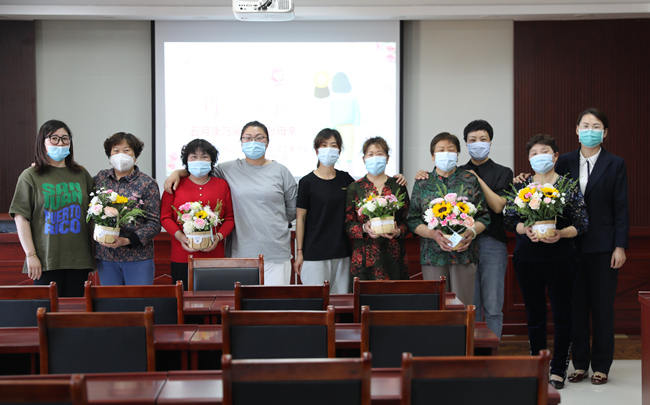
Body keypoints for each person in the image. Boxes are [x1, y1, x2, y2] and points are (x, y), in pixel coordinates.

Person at [164, 121, 297, 285]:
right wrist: (177, 172)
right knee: (242, 300)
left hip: (275, 250)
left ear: (267, 142)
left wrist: (271, 221)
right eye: (248, 138)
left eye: (259, 138)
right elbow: (200, 171)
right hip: (240, 252)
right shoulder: (227, 169)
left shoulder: (281, 171)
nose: (253, 142)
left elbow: (292, 210)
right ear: (241, 142)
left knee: (274, 299)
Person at [504, 134, 588, 390]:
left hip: (562, 259)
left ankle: (559, 368)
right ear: (529, 159)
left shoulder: (568, 186)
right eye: (534, 153)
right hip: (527, 259)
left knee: (563, 315)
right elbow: (509, 219)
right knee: (535, 315)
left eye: (545, 152)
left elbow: (582, 223)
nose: (539, 157)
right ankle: (537, 365)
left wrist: (561, 233)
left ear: (555, 156)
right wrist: (524, 229)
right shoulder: (522, 187)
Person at [414, 120, 512, 339]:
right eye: (472, 140)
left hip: (488, 242)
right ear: (466, 144)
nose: (478, 144)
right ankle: (469, 348)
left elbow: (494, 209)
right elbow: (415, 217)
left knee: (492, 303)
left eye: (483, 139)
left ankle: (489, 350)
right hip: (453, 249)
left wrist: (476, 179)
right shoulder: (445, 176)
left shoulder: (495, 173)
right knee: (467, 304)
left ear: (490, 142)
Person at [558, 109, 628, 385]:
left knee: (602, 308)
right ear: (576, 130)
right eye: (585, 125)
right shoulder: (563, 161)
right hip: (570, 246)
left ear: (605, 132)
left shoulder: (616, 163)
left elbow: (621, 207)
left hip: (603, 248)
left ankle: (601, 366)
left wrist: (620, 246)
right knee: (576, 308)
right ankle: (579, 365)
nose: (590, 130)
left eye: (596, 126)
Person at [9, 120, 95, 297]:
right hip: (45, 259)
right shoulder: (30, 175)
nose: (60, 143)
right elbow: (21, 217)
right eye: (54, 138)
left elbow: (94, 215)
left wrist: (94, 255)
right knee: (47, 310)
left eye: (65, 138)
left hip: (79, 259)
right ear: (42, 142)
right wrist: (31, 255)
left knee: (75, 310)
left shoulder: (81, 174)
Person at [407, 132, 490, 307]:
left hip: (464, 254)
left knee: (463, 307)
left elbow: (484, 216)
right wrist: (432, 234)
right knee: (434, 307)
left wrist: (471, 231)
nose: (446, 153)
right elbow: (413, 219)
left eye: (451, 150)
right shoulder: (423, 182)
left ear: (457, 154)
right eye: (441, 150)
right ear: (432, 156)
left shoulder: (469, 180)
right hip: (432, 255)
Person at [160, 139, 234, 289]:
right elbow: (165, 217)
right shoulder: (175, 184)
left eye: (204, 157)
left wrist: (218, 237)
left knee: (215, 298)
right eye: (194, 157)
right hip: (182, 255)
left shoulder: (222, 185)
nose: (199, 161)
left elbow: (229, 218)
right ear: (186, 161)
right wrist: (180, 237)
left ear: (212, 161)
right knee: (184, 299)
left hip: (214, 255)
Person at [93, 132, 161, 285]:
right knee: (110, 300)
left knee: (139, 299)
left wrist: (127, 240)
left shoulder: (147, 183)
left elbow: (154, 223)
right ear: (110, 157)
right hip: (106, 257)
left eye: (126, 150)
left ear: (135, 157)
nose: (121, 155)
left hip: (137, 257)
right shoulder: (101, 178)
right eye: (116, 151)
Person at [294, 129, 355, 293]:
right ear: (316, 150)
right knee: (316, 301)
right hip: (314, 253)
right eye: (324, 145)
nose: (329, 149)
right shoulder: (307, 182)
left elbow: (366, 191)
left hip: (341, 253)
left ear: (339, 151)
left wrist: (395, 179)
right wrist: (299, 253)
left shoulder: (345, 179)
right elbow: (300, 219)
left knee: (340, 302)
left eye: (333, 145)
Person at [344, 137, 410, 281]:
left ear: (387, 158)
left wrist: (398, 231)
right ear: (364, 159)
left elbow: (408, 220)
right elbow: (348, 224)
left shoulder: (398, 185)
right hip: (364, 258)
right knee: (363, 295)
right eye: (370, 154)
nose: (375, 158)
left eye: (379, 154)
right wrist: (363, 228)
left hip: (393, 257)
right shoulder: (355, 188)